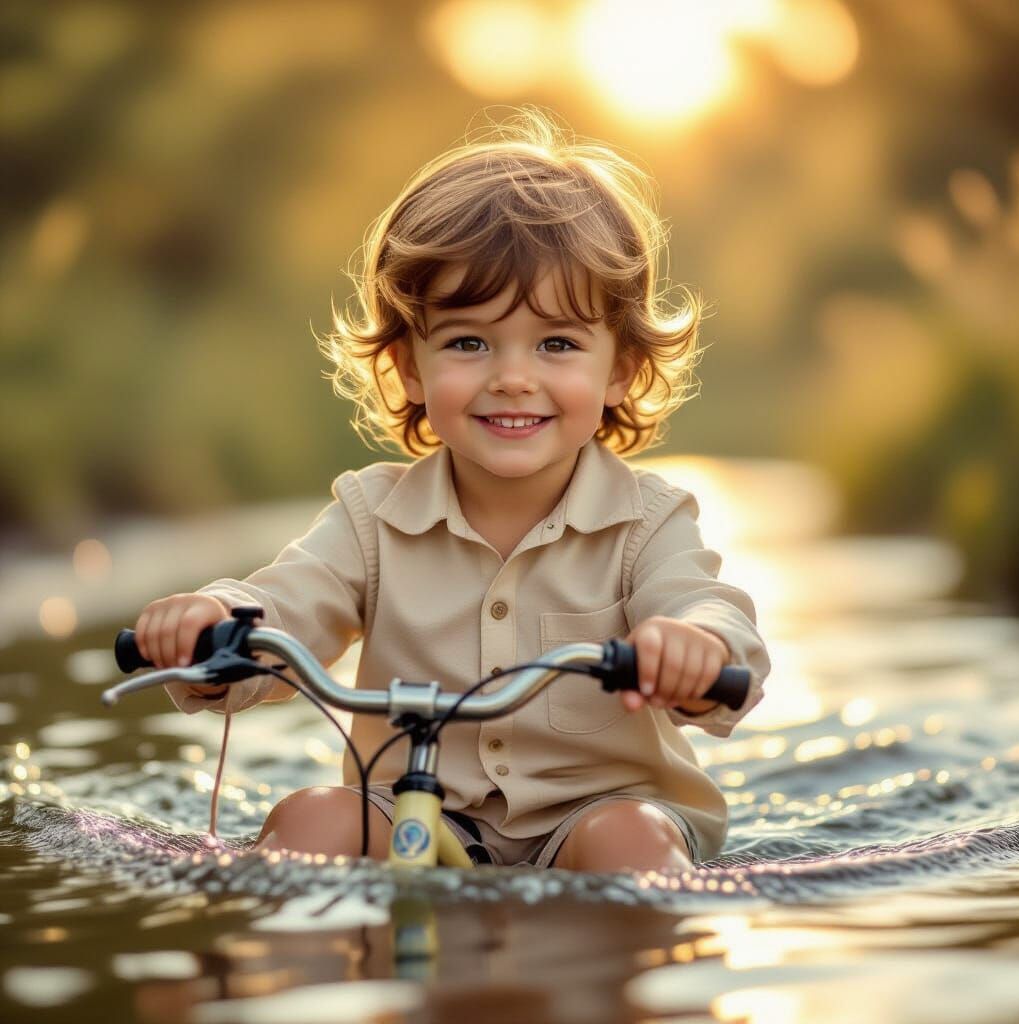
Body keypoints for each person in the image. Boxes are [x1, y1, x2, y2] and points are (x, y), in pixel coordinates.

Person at [132, 107, 771, 873]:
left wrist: (694, 650)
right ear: (408, 365)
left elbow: (706, 608)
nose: (512, 377)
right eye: (469, 341)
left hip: (599, 823)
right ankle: (259, 982)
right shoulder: (371, 518)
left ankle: (631, 981)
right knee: (310, 820)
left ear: (622, 369)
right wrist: (216, 625)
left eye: (557, 343)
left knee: (629, 841)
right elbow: (289, 601)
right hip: (410, 814)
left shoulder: (648, 521)